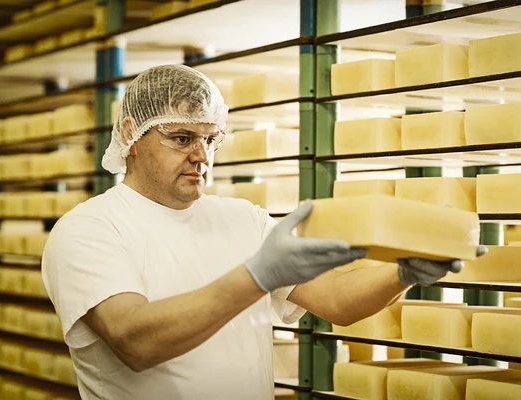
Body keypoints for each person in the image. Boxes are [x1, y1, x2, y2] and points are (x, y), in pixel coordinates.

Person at [41, 64, 486, 400]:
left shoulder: (243, 219)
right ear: (129, 135)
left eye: (211, 139)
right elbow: (135, 341)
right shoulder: (90, 229)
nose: (202, 156)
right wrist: (256, 277)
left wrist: (402, 274)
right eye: (181, 138)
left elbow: (335, 301)